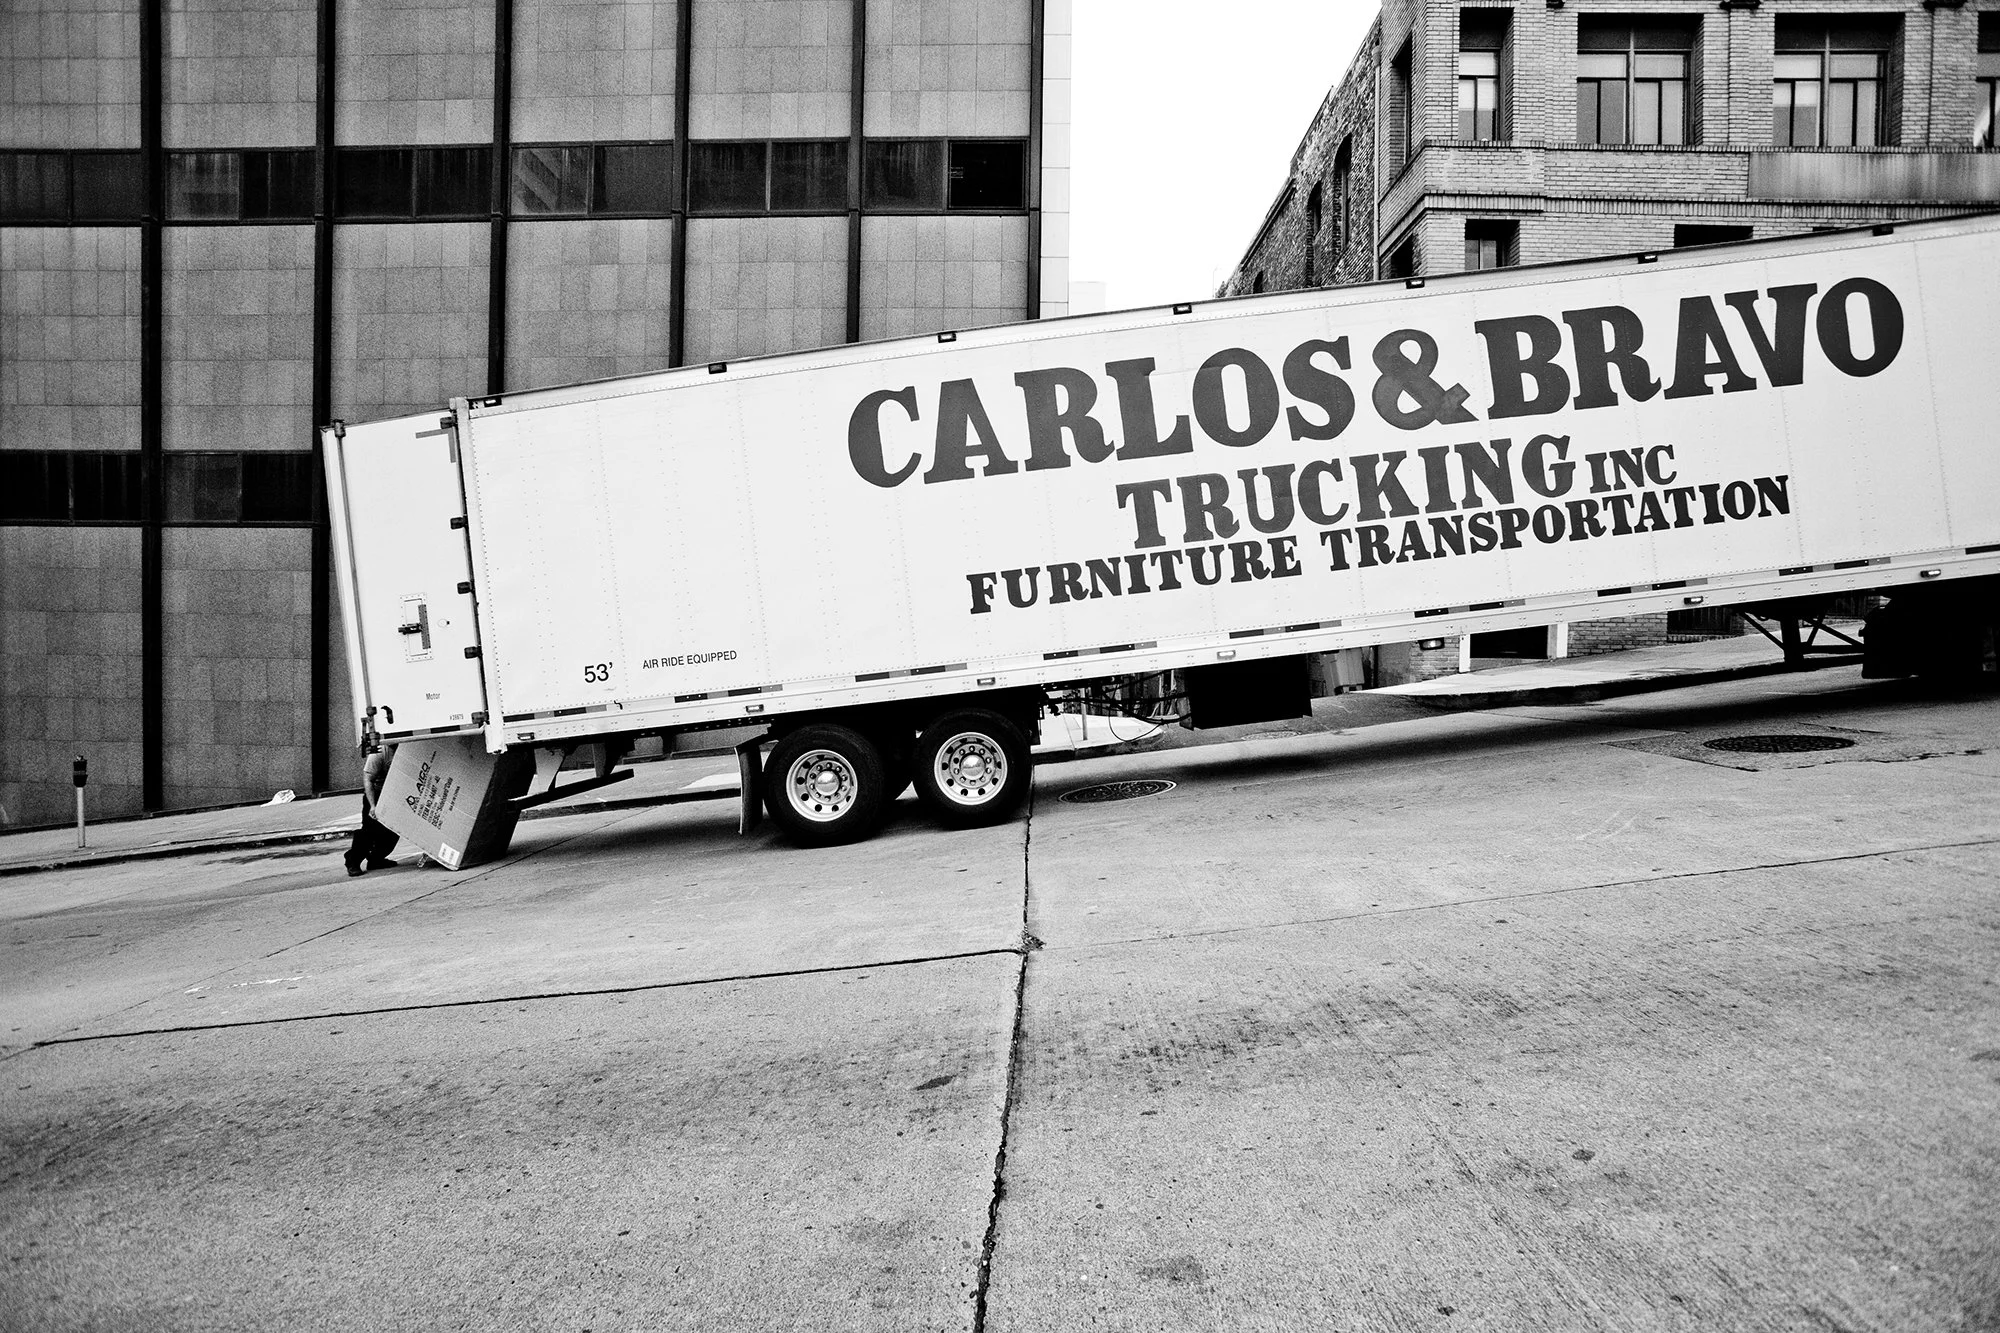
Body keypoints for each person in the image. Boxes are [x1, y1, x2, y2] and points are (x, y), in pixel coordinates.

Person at [343, 742, 400, 876]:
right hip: (376, 795)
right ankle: (352, 861)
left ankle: (376, 859)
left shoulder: (405, 749)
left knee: (392, 832)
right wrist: (373, 805)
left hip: (393, 795)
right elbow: (368, 779)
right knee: (369, 831)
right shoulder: (379, 753)